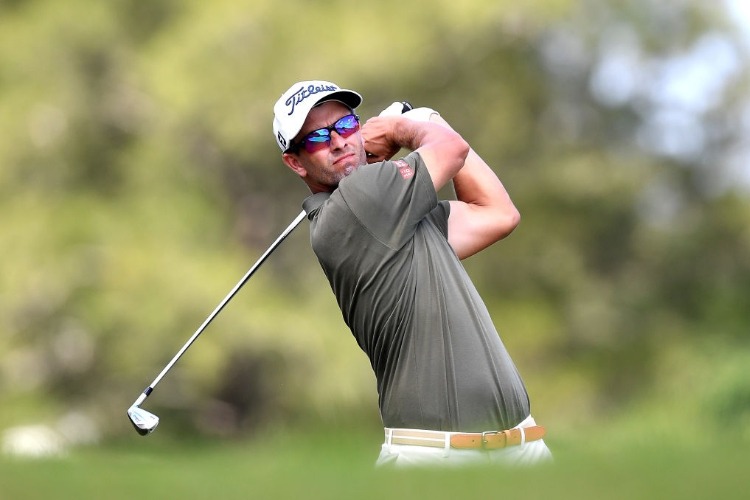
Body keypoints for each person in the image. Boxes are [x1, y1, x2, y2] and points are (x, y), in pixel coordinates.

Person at [272, 80, 552, 467]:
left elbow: (498, 214)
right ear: (296, 161)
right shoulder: (356, 203)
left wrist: (425, 123)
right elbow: (451, 149)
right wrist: (407, 126)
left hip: (521, 447)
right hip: (436, 457)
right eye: (317, 137)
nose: (338, 142)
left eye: (346, 126)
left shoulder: (393, 213)